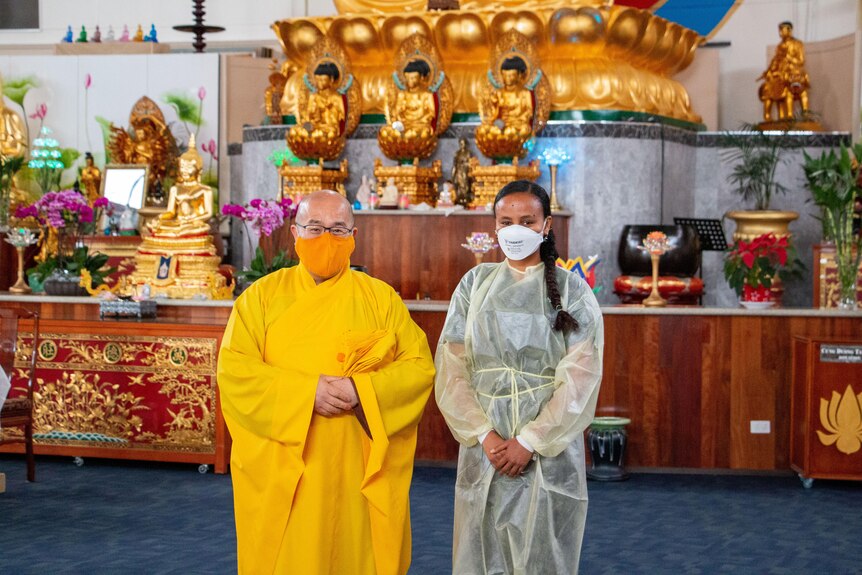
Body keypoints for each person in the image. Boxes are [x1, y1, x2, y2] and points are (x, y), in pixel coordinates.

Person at [217, 190, 435, 575]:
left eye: (338, 229)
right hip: (287, 468)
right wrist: (306, 393)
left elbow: (418, 368)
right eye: (315, 228)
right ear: (295, 233)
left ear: (354, 235)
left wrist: (361, 391)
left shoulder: (380, 299)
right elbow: (235, 372)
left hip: (356, 463)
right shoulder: (260, 299)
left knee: (355, 551)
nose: (326, 240)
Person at [435, 180, 604, 574]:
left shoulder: (573, 291)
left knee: (543, 549)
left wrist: (530, 440)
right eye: (506, 220)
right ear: (494, 226)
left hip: (548, 449)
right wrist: (484, 434)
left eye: (527, 220)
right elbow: (451, 368)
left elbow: (580, 379)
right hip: (485, 444)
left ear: (546, 226)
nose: (515, 229)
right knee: (480, 544)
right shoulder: (473, 286)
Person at [758, 21, 810, 121]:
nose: (780, 33)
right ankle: (776, 116)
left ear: (789, 30)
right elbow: (775, 61)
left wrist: (789, 58)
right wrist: (769, 71)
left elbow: (801, 61)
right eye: (779, 30)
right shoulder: (779, 46)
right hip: (780, 74)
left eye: (782, 30)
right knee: (767, 89)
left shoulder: (797, 44)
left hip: (793, 75)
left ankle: (800, 115)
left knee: (794, 91)